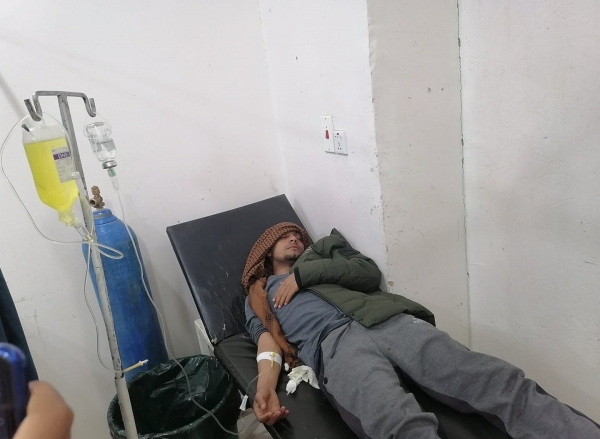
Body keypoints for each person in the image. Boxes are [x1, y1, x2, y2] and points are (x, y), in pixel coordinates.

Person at [243, 222, 600, 439]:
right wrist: (265, 388)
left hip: (387, 319)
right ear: (266, 251)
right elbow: (267, 344)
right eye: (284, 236)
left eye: (297, 233)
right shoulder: (260, 295)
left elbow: (367, 273)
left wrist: (305, 274)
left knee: (490, 378)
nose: (294, 237)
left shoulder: (323, 252)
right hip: (335, 346)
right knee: (394, 420)